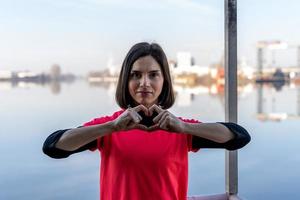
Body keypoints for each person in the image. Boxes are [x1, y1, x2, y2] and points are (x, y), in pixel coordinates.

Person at [43, 42, 251, 200]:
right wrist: (111, 127)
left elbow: (238, 136)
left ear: (164, 81)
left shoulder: (178, 128)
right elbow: (54, 146)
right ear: (126, 81)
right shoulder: (109, 127)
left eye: (153, 75)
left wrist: (184, 127)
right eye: (135, 75)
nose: (144, 83)